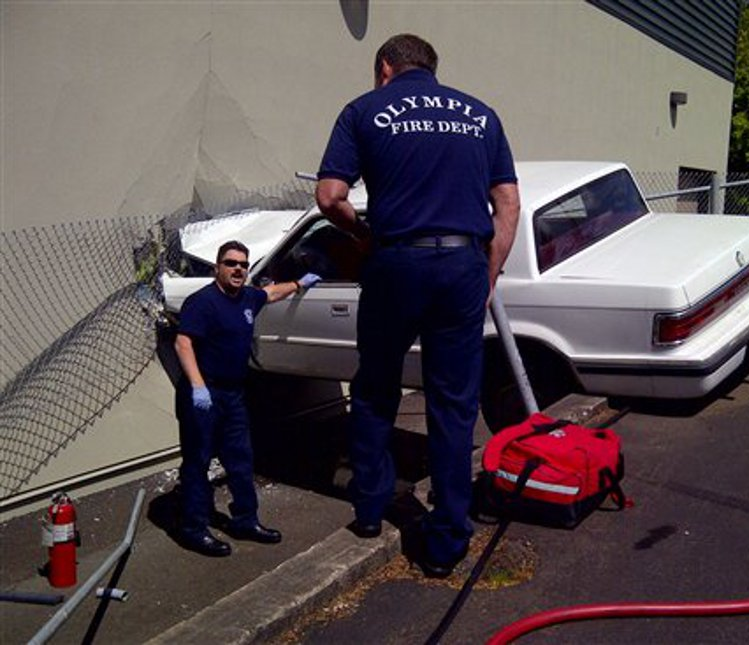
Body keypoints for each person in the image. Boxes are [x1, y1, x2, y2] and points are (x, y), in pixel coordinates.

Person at [316, 34, 520, 577]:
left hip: (397, 263)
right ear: (431, 68)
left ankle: (369, 508)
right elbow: (508, 204)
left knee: (376, 386)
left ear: (386, 68)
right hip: (462, 266)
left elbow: (330, 196)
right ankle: (448, 540)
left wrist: (363, 235)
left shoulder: (363, 110)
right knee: (453, 402)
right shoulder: (481, 115)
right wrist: (489, 272)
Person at [174, 240, 321, 557]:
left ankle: (245, 521)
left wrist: (298, 283)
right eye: (231, 263)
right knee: (198, 462)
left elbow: (270, 293)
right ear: (218, 267)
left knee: (241, 459)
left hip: (234, 394)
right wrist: (198, 387)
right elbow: (183, 344)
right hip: (204, 392)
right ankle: (193, 528)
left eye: (243, 264)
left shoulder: (247, 297)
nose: (238, 269)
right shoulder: (203, 302)